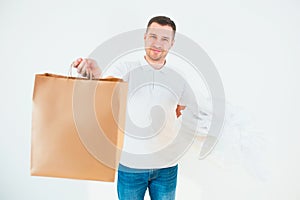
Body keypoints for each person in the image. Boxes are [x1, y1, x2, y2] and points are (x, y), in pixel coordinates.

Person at [71, 16, 204, 200]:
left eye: (165, 39)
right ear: (145, 37)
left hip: (167, 168)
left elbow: (182, 110)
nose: (158, 43)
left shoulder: (179, 78)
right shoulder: (125, 68)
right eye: (153, 36)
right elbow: (106, 87)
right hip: (130, 167)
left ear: (172, 43)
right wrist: (95, 74)